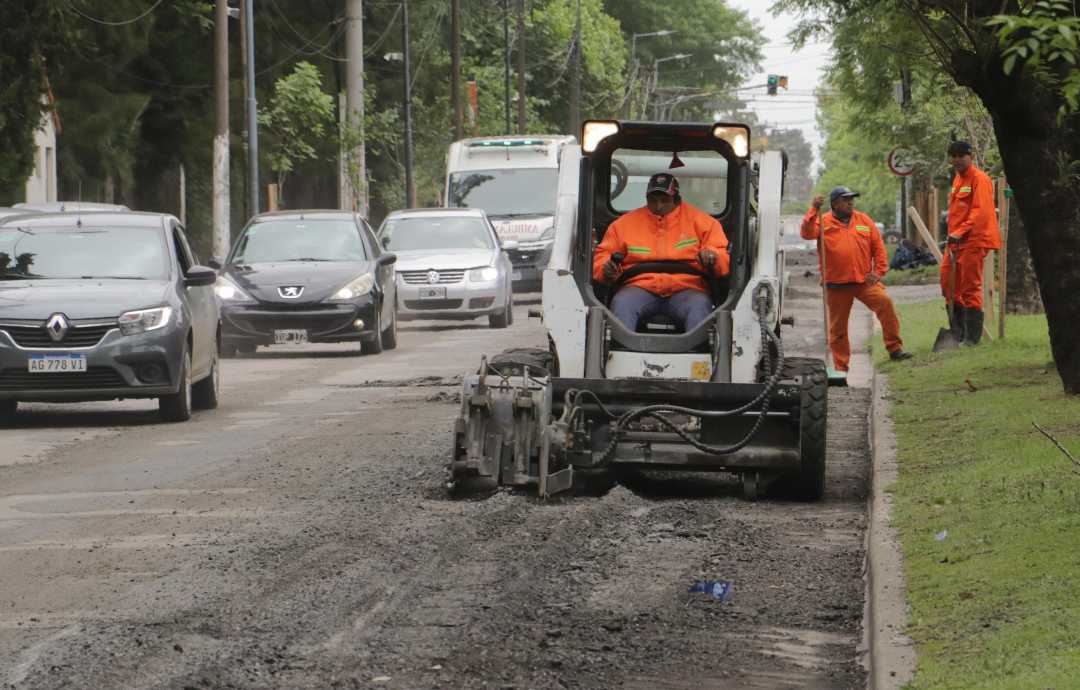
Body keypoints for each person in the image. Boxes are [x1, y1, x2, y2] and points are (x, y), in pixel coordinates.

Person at [593, 173, 730, 331]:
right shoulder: (622, 225)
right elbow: (602, 256)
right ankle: (616, 352)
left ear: (676, 199)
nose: (658, 206)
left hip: (687, 289)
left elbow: (723, 255)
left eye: (664, 200)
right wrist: (605, 268)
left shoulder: (704, 223)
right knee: (622, 304)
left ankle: (697, 354)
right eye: (653, 200)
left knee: (699, 308)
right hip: (639, 288)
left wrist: (712, 257)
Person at [801, 186, 913, 373]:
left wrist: (878, 271)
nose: (850, 202)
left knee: (885, 303)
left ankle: (895, 348)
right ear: (835, 203)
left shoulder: (863, 220)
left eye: (851, 199)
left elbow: (878, 248)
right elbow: (806, 233)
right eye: (846, 200)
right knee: (838, 329)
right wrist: (813, 210)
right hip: (836, 285)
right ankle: (840, 368)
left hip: (864, 282)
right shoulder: (823, 221)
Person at [940, 140, 1002, 345]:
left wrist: (960, 232)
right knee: (947, 283)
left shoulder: (980, 179)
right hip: (955, 241)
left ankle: (971, 338)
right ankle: (957, 332)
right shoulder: (958, 179)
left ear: (970, 156)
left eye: (961, 155)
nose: (956, 159)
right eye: (953, 156)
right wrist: (953, 234)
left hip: (974, 239)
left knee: (969, 287)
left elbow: (980, 211)